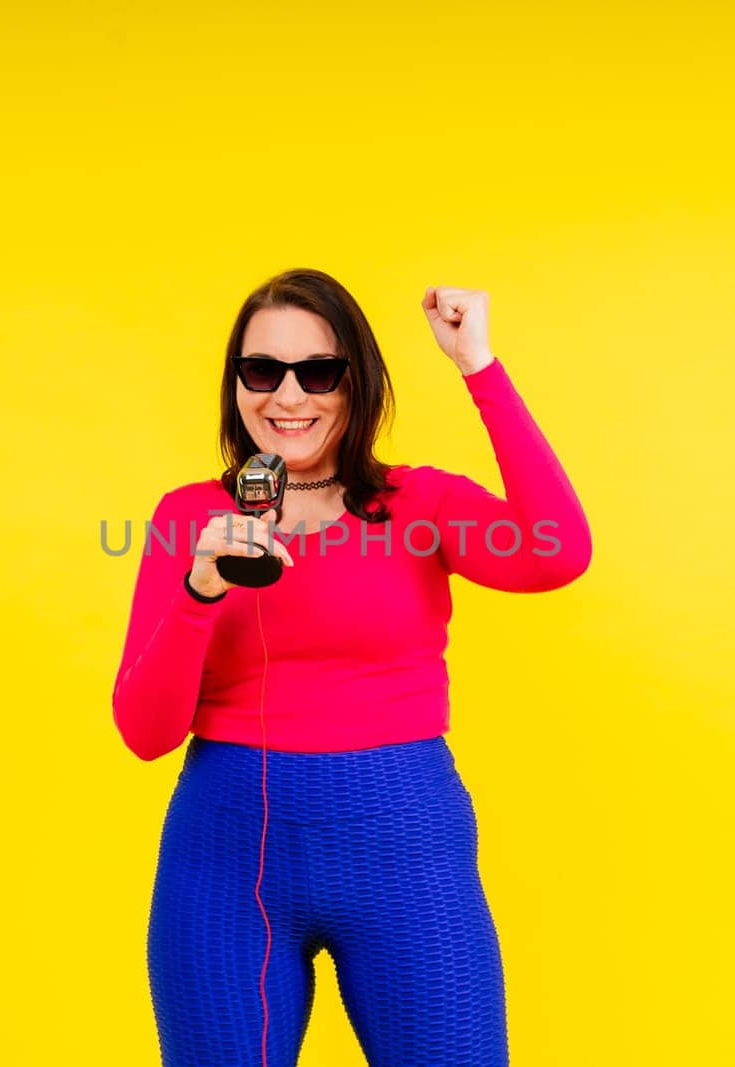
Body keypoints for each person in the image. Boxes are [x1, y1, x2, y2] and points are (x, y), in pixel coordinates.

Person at [112, 267, 592, 1067]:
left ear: (355, 382)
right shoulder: (192, 518)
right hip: (226, 859)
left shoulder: (420, 505)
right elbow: (145, 732)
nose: (287, 396)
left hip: (406, 846)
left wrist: (479, 366)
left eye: (318, 372)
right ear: (236, 384)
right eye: (261, 371)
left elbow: (558, 552)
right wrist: (199, 586)